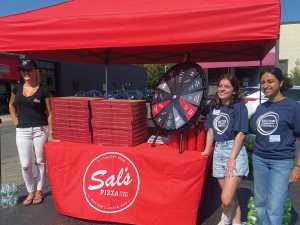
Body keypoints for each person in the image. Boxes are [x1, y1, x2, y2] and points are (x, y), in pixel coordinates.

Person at [250, 66, 300, 225]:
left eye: (270, 81)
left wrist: (298, 166)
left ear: (281, 82)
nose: (265, 85)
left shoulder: (293, 107)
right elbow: (257, 132)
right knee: (260, 204)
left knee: (274, 207)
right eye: (263, 82)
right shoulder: (261, 107)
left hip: (282, 162)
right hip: (259, 160)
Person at [202, 73, 249, 225]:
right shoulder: (214, 107)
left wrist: (232, 158)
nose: (221, 89)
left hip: (233, 151)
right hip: (218, 151)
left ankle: (225, 217)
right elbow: (210, 131)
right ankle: (236, 222)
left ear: (234, 90)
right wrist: (207, 150)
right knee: (231, 196)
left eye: (226, 86)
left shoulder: (239, 107)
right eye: (220, 86)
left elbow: (241, 134)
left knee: (226, 198)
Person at [9, 59, 53, 206]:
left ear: (35, 71)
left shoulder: (44, 89)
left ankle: (39, 190)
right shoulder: (16, 88)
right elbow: (11, 105)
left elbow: (50, 113)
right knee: (26, 165)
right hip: (22, 130)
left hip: (40, 129)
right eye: (23, 70)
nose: (25, 72)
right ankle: (30, 191)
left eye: (28, 70)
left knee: (40, 161)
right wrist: (15, 119)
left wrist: (51, 132)